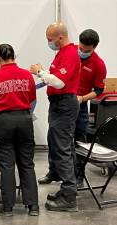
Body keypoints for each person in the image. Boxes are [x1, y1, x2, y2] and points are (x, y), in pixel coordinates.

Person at [0, 44, 39, 217]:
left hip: (3, 122)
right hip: (24, 120)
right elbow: (32, 98)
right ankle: (33, 206)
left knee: (7, 166)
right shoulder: (26, 75)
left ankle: (7, 207)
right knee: (27, 164)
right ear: (14, 57)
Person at [30, 22, 80, 212]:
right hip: (59, 105)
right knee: (61, 146)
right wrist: (43, 77)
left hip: (65, 105)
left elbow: (59, 82)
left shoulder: (69, 55)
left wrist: (40, 72)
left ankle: (69, 198)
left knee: (63, 150)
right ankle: (67, 189)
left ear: (60, 37)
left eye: (50, 39)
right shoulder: (62, 53)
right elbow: (56, 78)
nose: (48, 42)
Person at [75, 29, 107, 187]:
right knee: (56, 140)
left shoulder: (99, 64)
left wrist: (81, 98)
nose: (81, 52)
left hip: (80, 107)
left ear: (94, 47)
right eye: (80, 48)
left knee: (79, 142)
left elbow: (98, 91)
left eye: (86, 51)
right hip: (63, 104)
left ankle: (78, 177)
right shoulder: (70, 53)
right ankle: (54, 172)